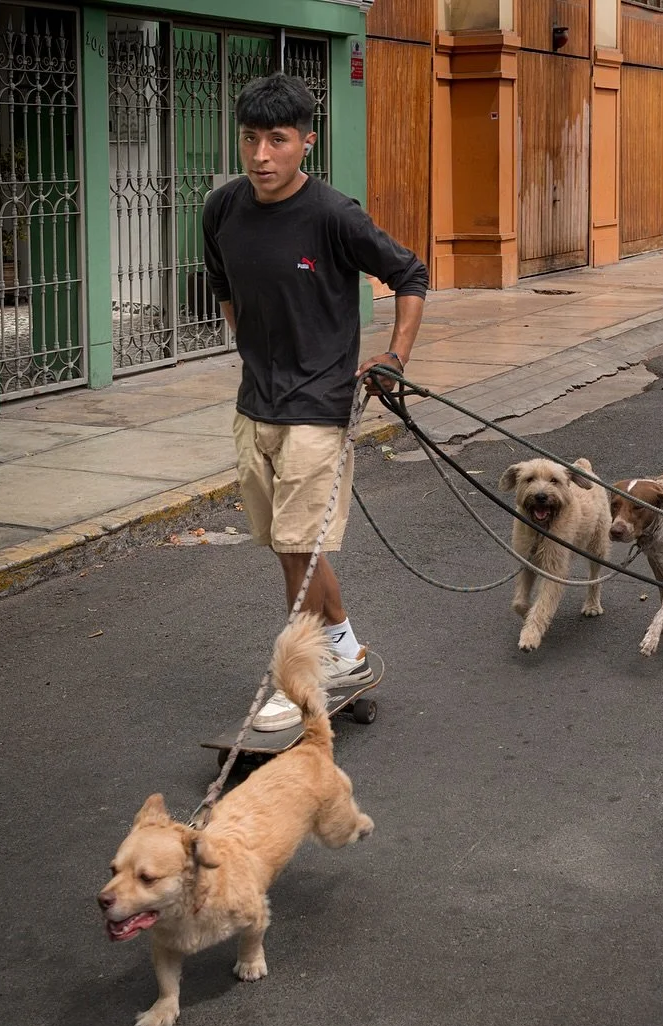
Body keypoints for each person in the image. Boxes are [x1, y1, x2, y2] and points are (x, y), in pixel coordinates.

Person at [203, 74, 428, 732]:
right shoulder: (220, 209)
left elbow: (409, 273)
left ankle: (300, 673)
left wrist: (396, 356)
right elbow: (225, 288)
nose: (261, 155)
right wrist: (253, 353)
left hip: (319, 407)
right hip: (255, 408)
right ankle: (346, 651)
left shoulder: (333, 214)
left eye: (277, 140)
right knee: (289, 548)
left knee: (298, 547)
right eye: (250, 139)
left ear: (307, 142)